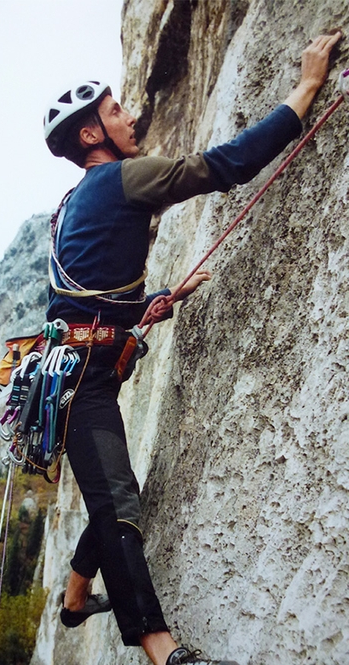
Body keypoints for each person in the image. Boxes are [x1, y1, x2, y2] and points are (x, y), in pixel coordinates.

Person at [42, 33, 341, 665]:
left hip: (78, 369)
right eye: (116, 110)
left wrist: (161, 298)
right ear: (93, 135)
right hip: (83, 385)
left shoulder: (74, 203)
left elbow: (91, 292)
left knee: (109, 487)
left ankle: (74, 600)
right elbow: (223, 166)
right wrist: (306, 88)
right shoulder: (122, 180)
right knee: (119, 502)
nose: (130, 116)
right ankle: (162, 651)